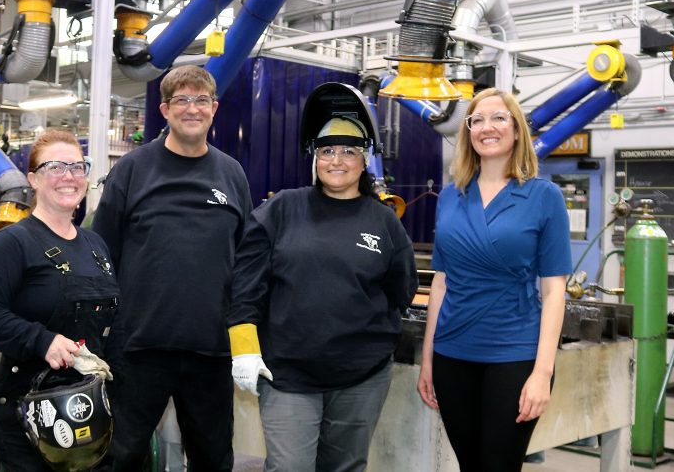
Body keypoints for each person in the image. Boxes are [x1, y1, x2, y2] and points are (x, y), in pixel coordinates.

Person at [228, 81, 418, 472]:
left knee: (346, 468)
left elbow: (402, 289)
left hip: (361, 377)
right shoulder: (282, 209)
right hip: (288, 376)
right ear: (314, 158)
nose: (337, 160)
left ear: (364, 160)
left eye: (349, 151)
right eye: (327, 150)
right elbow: (246, 285)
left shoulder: (383, 220)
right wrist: (244, 347)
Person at [92, 65, 253, 472]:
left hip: (211, 349)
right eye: (182, 99)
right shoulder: (132, 170)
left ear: (214, 108)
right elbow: (102, 252)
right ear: (164, 109)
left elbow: (247, 258)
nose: (192, 109)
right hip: (139, 346)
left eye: (201, 100)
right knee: (121, 455)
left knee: (213, 459)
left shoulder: (231, 174)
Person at [416, 88, 571, 471]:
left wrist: (542, 373)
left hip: (514, 354)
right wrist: (427, 359)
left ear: (517, 131)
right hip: (452, 354)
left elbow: (554, 291)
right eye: (477, 120)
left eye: (499, 118)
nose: (487, 127)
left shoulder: (543, 197)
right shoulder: (452, 196)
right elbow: (442, 281)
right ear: (468, 132)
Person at [0, 128, 119, 472]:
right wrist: (43, 340)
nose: (69, 177)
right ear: (33, 179)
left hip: (92, 405)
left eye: (78, 167)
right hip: (29, 406)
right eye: (56, 168)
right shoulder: (12, 243)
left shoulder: (96, 246)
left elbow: (114, 320)